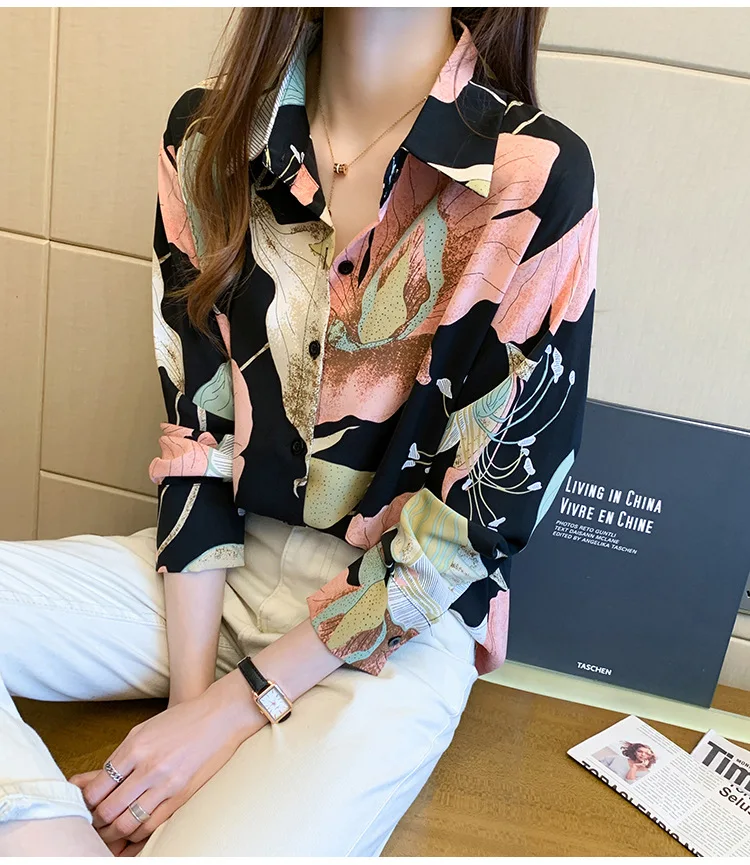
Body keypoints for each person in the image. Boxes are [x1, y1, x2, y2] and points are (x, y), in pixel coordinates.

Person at [0, 6, 598, 857]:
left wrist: (231, 711)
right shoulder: (209, 136)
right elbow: (198, 432)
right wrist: (186, 717)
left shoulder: (535, 178)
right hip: (216, 576)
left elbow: (469, 531)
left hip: (390, 632)